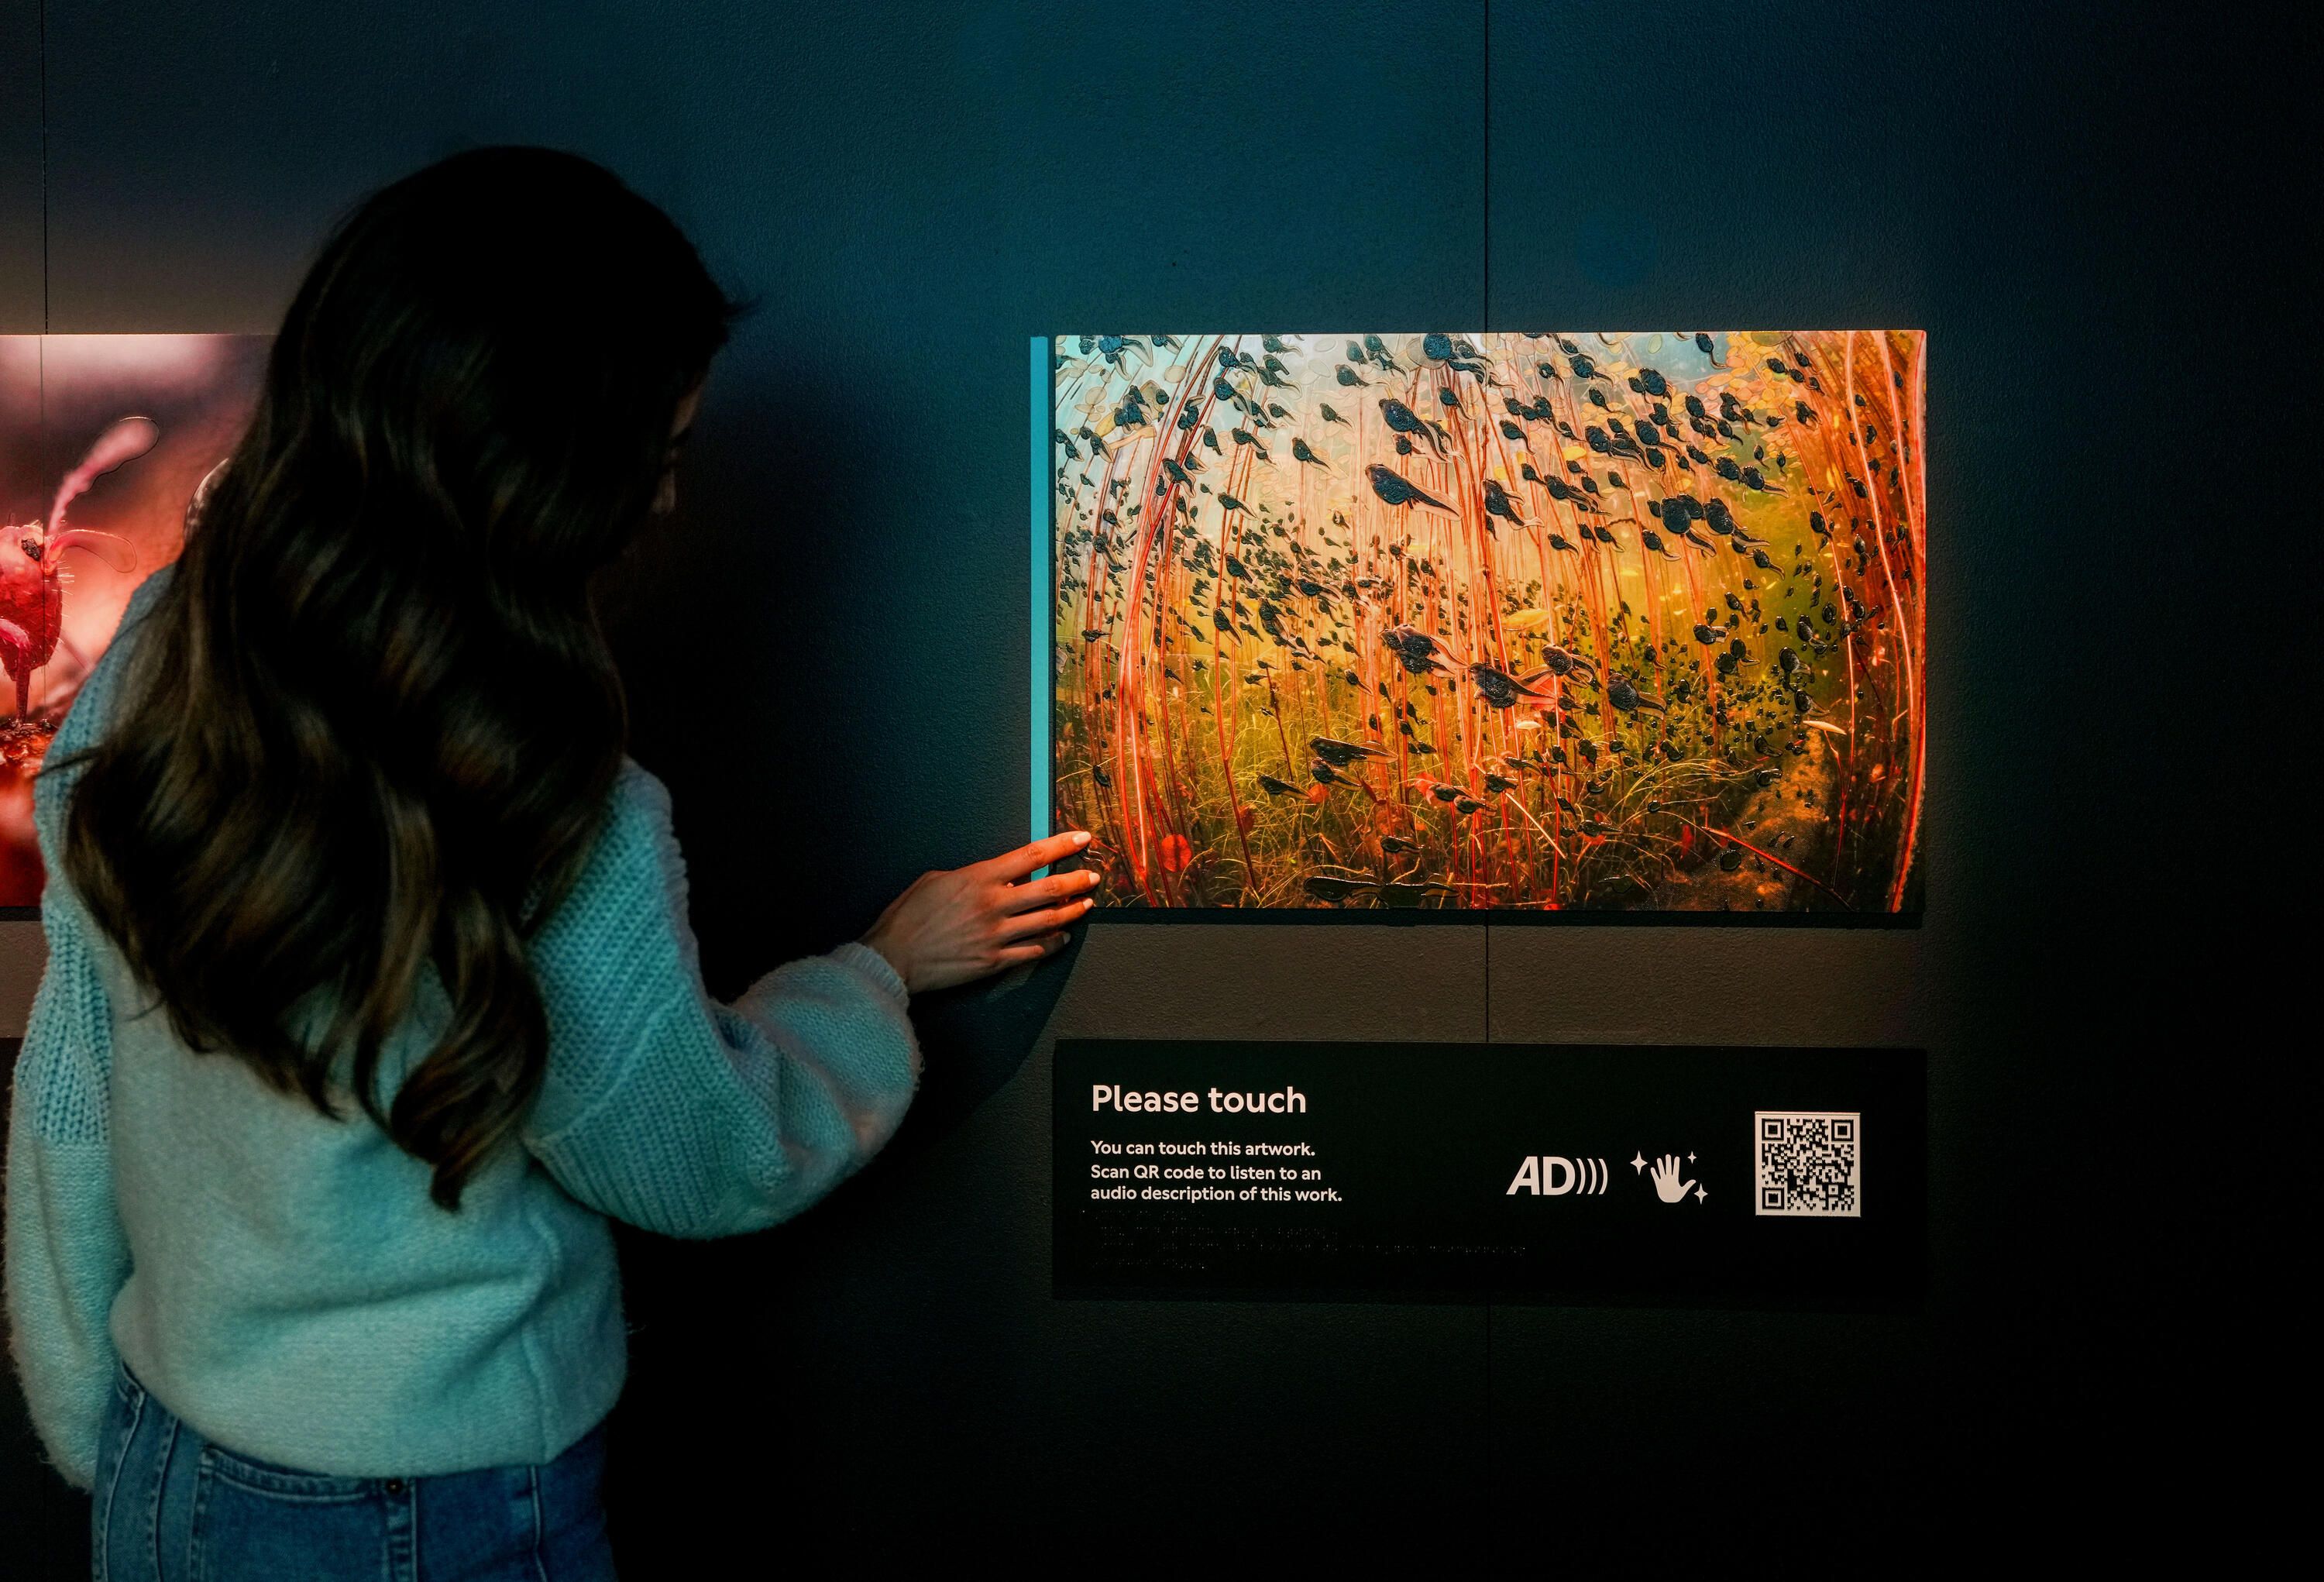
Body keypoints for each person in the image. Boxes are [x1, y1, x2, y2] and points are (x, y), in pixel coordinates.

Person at [1, 146, 1097, 1580]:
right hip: (433, 1511)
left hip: (166, 1469)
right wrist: (877, 973)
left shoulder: (155, 662)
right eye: (657, 452)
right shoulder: (542, 794)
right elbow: (699, 1157)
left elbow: (71, 1089)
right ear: (537, 468)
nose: (664, 503)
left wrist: (111, 1435)